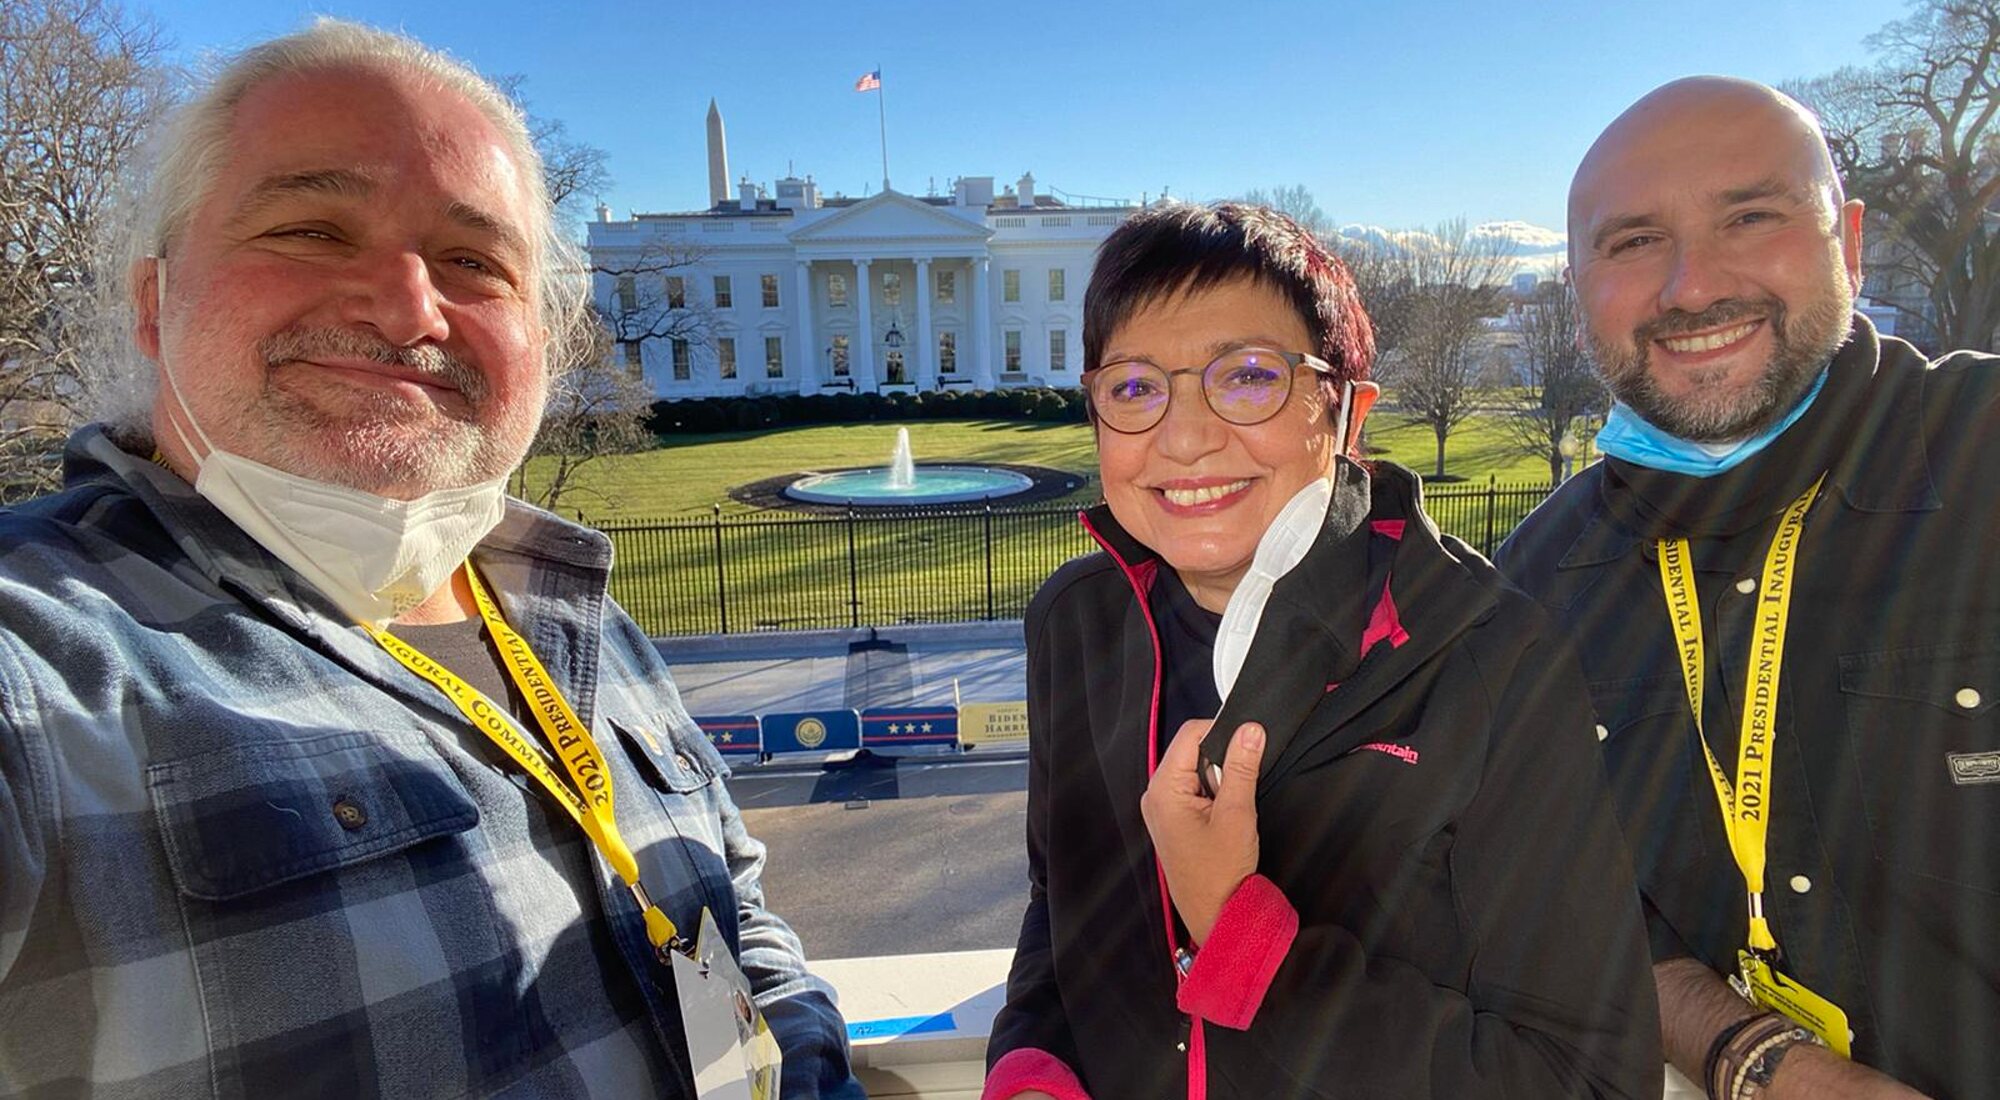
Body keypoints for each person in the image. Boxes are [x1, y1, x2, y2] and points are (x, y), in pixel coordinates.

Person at [0, 20, 861, 1099]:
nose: (409, 306)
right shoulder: (42, 664)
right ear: (151, 300)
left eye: (471, 260)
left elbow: (734, 927)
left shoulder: (583, 627)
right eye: (311, 227)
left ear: (543, 335)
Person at [983, 202, 1660, 1100]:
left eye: (1250, 376)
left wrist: (1240, 936)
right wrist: (1034, 1069)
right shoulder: (1075, 625)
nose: (1184, 440)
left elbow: (1590, 1081)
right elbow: (1057, 909)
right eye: (1136, 388)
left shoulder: (1488, 660)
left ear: (1346, 414)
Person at [1495, 76, 2000, 1099]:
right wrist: (1750, 1054)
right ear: (1576, 282)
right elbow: (1547, 901)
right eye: (1631, 241)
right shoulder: (1532, 585)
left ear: (1844, 241)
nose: (1689, 286)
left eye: (1749, 216)